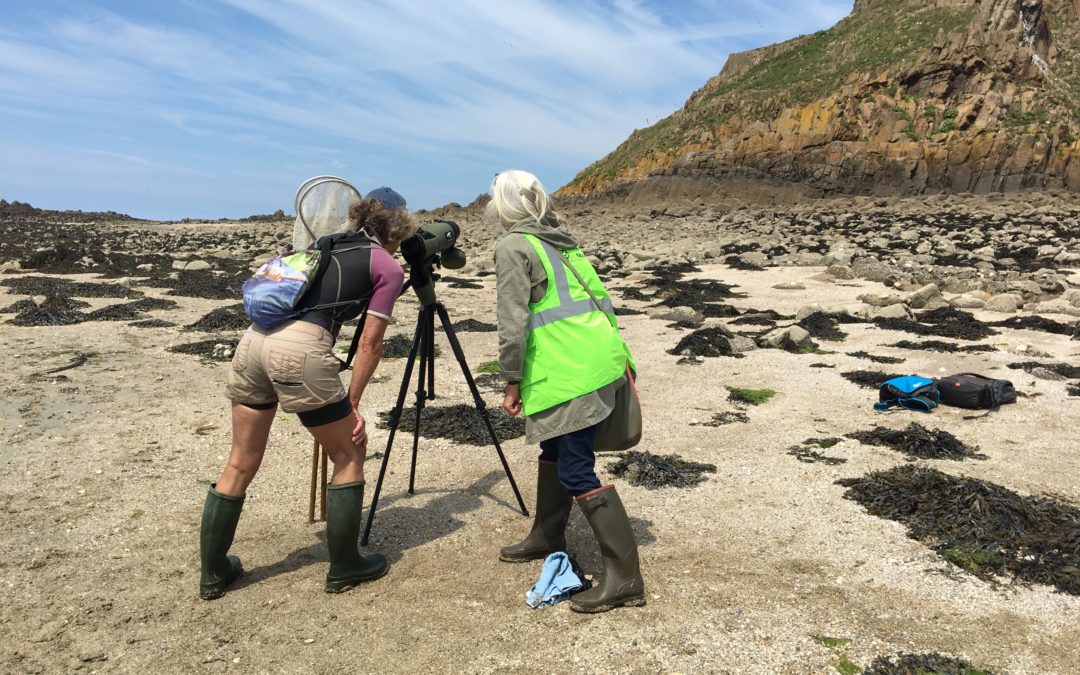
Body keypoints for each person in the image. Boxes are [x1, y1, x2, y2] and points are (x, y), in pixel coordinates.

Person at [199, 187, 418, 599]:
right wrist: (352, 404)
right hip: (301, 348)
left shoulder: (325, 243)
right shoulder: (387, 267)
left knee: (241, 461)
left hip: (252, 343)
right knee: (349, 454)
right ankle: (346, 566)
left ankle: (213, 573)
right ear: (399, 228)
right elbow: (370, 344)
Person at [489, 170, 645, 613]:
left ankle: (626, 580)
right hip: (597, 358)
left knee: (576, 468)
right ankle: (546, 535)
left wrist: (511, 378)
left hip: (569, 368)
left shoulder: (514, 246)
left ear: (501, 206)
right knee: (554, 452)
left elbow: (512, 320)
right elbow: (601, 299)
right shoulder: (560, 240)